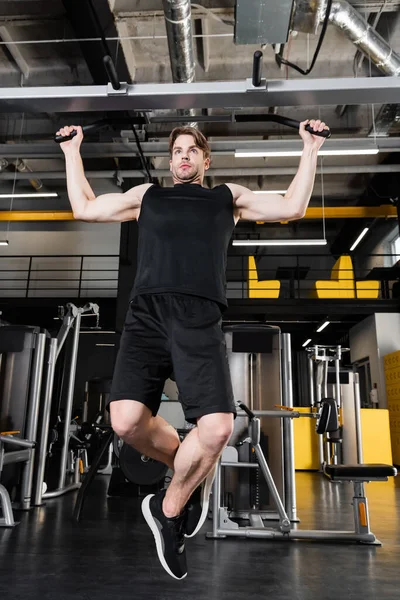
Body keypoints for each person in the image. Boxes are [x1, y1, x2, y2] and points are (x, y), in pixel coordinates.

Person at [57, 118, 329, 580]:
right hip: (146, 315)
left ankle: (169, 510)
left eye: (192, 151)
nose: (183, 156)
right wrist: (71, 152)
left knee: (218, 430)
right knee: (124, 420)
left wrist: (311, 148)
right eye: (177, 151)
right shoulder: (147, 197)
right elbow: (84, 207)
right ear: (171, 162)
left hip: (199, 315)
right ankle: (189, 472)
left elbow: (292, 205)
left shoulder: (228, 197)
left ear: (206, 160)